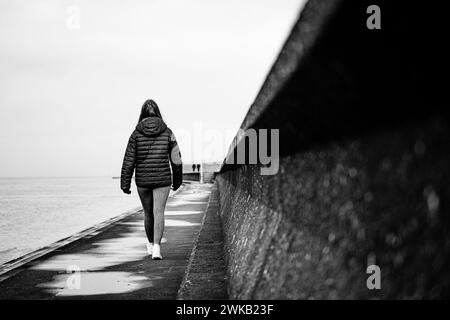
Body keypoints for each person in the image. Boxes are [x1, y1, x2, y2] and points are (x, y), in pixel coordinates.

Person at [120, 99, 182, 260]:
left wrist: (125, 184)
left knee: (148, 213)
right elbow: (176, 158)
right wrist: (178, 180)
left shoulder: (135, 134)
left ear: (142, 113)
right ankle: (156, 248)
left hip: (143, 180)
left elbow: (129, 160)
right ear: (158, 112)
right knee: (159, 212)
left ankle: (150, 244)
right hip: (162, 179)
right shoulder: (168, 132)